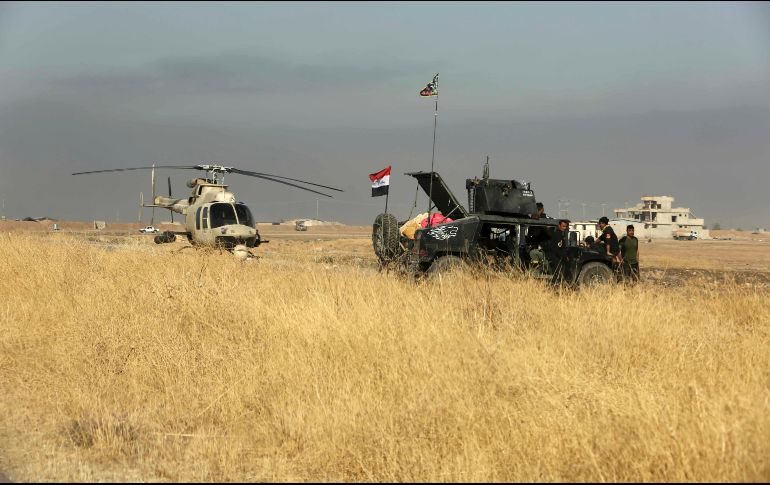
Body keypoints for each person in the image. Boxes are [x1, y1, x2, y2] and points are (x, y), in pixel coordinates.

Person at [549, 219, 572, 284]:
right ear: (559, 226)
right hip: (556, 257)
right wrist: (565, 257)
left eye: (565, 226)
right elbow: (557, 249)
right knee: (557, 274)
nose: (564, 228)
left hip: (559, 257)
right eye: (563, 226)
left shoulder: (561, 234)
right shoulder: (558, 235)